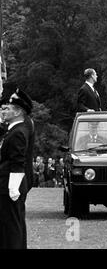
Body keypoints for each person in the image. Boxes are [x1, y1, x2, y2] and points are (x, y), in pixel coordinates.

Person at [0, 88, 34, 249]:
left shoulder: (18, 132)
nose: (4, 110)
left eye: (9, 108)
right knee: (11, 225)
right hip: (7, 185)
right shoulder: (13, 130)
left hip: (9, 187)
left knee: (12, 226)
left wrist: (13, 189)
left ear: (18, 111)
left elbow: (17, 162)